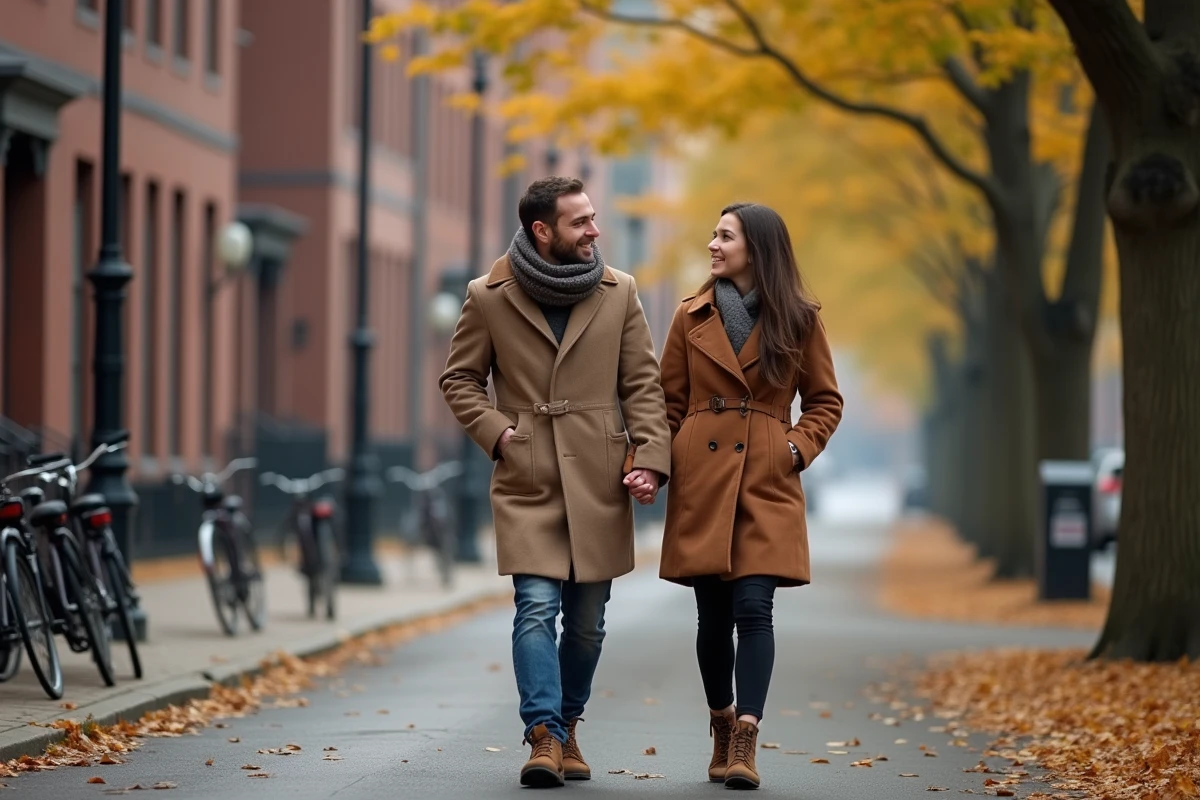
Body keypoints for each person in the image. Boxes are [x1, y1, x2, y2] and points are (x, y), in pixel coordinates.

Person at [440, 176, 671, 788]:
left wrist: (649, 457)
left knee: (588, 622)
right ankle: (543, 733)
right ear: (543, 232)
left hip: (598, 478)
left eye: (594, 218)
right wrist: (497, 432)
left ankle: (569, 723)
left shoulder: (620, 292)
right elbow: (460, 380)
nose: (595, 231)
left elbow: (642, 386)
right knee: (536, 607)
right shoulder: (488, 296)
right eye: (581, 223)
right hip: (529, 474)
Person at [658, 202, 843, 790]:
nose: (713, 244)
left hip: (765, 477)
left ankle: (746, 735)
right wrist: (656, 465)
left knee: (753, 608)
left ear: (756, 248)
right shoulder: (691, 316)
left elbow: (824, 401)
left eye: (725, 236)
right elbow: (665, 403)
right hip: (704, 476)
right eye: (714, 234)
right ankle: (719, 717)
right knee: (711, 613)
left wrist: (794, 449)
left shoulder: (800, 319)